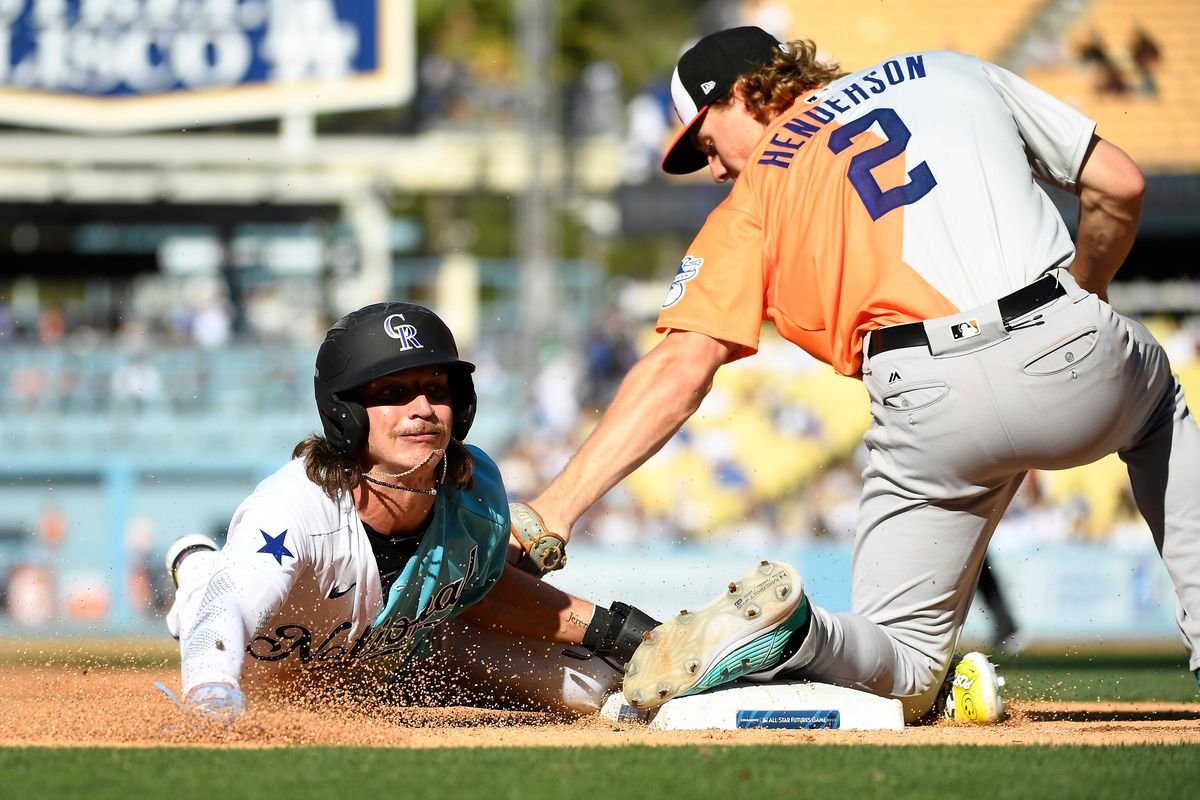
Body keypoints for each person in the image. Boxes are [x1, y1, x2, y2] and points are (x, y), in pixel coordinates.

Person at [522, 26, 1200, 723]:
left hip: (923, 399)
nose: (715, 168)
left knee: (902, 668)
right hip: (1061, 338)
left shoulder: (755, 195)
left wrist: (555, 510)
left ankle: (795, 632)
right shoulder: (951, 67)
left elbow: (680, 366)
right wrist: (1083, 299)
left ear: (749, 93)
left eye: (706, 141)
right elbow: (1119, 182)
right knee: (1158, 416)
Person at [160, 302, 657, 723]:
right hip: (274, 677)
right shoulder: (294, 507)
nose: (422, 408)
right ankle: (198, 563)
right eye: (393, 393)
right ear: (346, 412)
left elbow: (485, 596)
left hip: (400, 660)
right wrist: (212, 695)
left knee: (598, 686)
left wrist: (624, 635)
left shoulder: (476, 491)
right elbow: (224, 610)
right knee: (211, 588)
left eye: (436, 390)